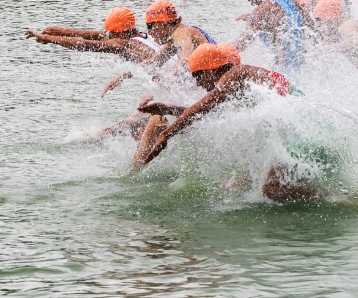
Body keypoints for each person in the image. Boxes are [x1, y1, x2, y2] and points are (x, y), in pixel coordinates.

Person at [134, 43, 313, 201]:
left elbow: (201, 108)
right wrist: (168, 109)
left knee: (270, 189)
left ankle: (331, 198)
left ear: (211, 69)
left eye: (197, 76)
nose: (197, 84)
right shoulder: (238, 84)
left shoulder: (234, 74)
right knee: (241, 182)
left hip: (302, 128)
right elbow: (210, 114)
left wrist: (166, 134)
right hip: (300, 125)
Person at [101, 0, 216, 96]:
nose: (149, 31)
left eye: (149, 26)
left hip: (219, 80)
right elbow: (154, 61)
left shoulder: (181, 33)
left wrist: (169, 78)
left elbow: (186, 54)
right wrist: (122, 76)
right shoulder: (175, 38)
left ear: (162, 23)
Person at [234, 0, 313, 79]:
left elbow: (239, 46)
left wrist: (211, 51)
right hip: (298, 74)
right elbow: (312, 29)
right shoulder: (290, 1)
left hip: (283, 79)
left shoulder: (261, 11)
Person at [25, 7, 159, 63]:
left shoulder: (124, 43)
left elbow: (82, 45)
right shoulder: (144, 36)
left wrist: (46, 38)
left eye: (110, 32)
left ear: (119, 32)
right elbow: (98, 36)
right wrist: (63, 32)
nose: (107, 35)